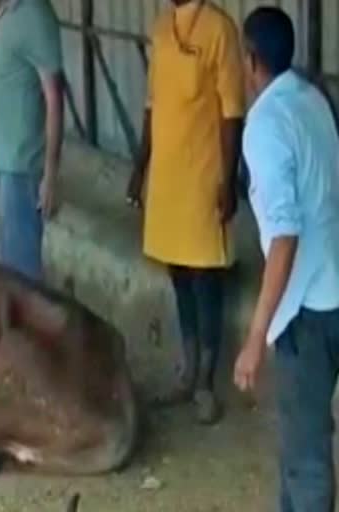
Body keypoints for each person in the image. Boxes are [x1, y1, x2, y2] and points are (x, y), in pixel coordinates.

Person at [233, 7, 339, 511]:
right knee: (299, 448)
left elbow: (284, 237)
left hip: (307, 312)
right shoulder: (314, 99)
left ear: (251, 59)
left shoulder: (265, 124)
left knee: (306, 458)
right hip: (334, 289)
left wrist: (256, 337)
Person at [126, 0, 245, 424]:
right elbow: (152, 105)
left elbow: (233, 114)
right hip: (169, 178)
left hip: (203, 176)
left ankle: (206, 384)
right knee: (178, 273)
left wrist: (228, 181)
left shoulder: (219, 31)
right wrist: (140, 167)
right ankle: (188, 368)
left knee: (205, 277)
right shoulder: (161, 30)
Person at [0, 0, 64, 282]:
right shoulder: (1, 11)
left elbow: (54, 97)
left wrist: (50, 174)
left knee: (20, 272)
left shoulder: (34, 14)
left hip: (21, 164)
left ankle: (26, 325)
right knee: (6, 264)